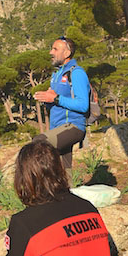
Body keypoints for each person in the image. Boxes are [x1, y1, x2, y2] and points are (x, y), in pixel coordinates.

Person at [33, 36, 89, 169]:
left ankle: (35, 186)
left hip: (73, 126)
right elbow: (56, 101)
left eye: (55, 49)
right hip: (57, 129)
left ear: (67, 53)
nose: (50, 52)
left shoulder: (76, 73)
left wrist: (56, 98)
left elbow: (83, 105)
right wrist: (47, 99)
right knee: (63, 170)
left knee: (38, 144)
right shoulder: (57, 75)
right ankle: (65, 188)